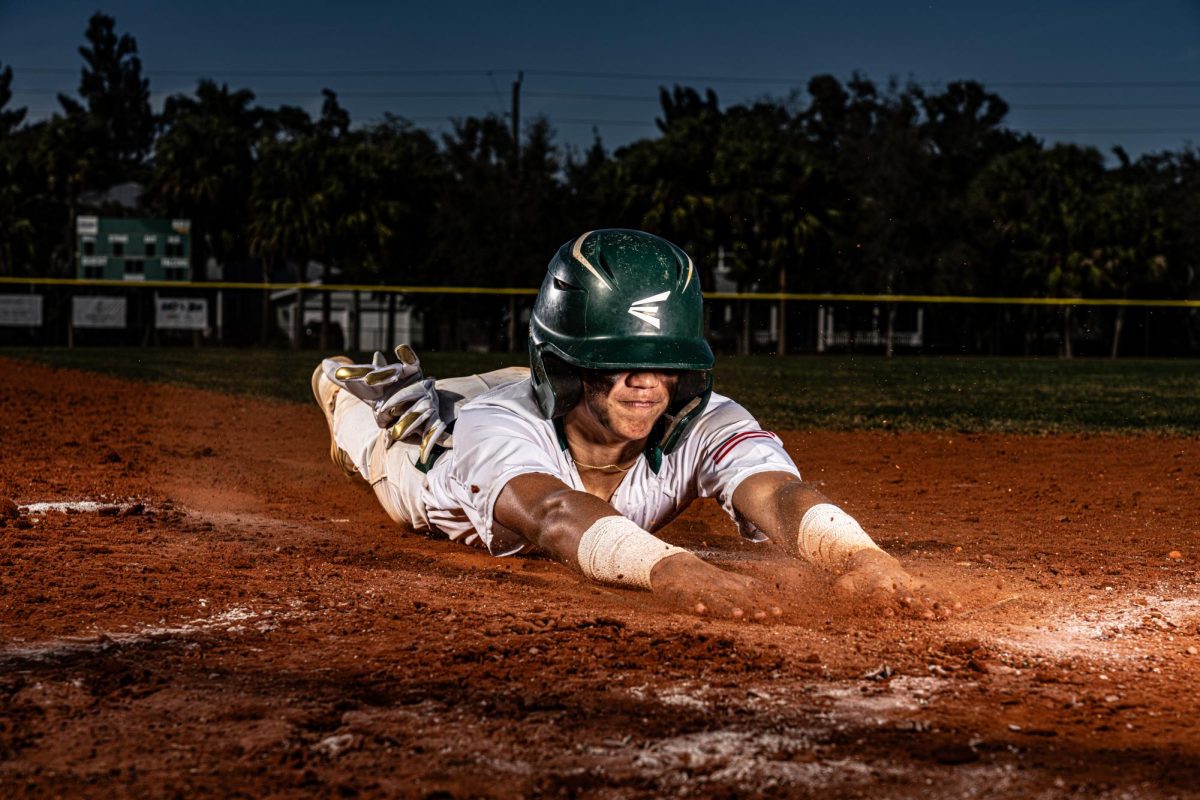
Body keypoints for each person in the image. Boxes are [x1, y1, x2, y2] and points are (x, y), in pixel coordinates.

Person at [312, 229, 953, 620]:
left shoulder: (699, 417)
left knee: (507, 400)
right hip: (427, 459)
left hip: (528, 394)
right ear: (566, 365)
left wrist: (859, 556)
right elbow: (555, 513)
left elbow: (778, 495)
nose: (646, 384)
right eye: (617, 362)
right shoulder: (496, 431)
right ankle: (338, 384)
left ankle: (495, 374)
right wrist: (669, 567)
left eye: (664, 363)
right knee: (372, 421)